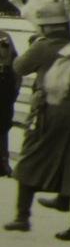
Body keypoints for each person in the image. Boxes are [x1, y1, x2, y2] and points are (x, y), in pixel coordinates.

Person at [4, 2, 70, 242]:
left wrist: (34, 45)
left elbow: (19, 67)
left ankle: (22, 217)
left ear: (45, 27)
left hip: (50, 108)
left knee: (31, 158)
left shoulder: (43, 46)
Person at [0, 29, 16, 179]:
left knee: (2, 126)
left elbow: (11, 63)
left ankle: (3, 162)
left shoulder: (3, 37)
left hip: (3, 89)